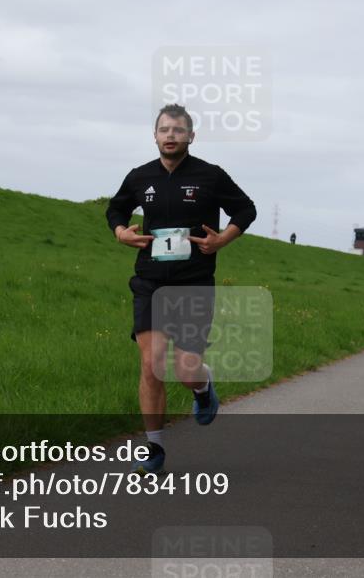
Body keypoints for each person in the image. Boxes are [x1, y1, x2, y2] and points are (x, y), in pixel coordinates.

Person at [106, 103, 257, 475]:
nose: (170, 136)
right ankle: (154, 448)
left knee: (186, 370)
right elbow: (116, 209)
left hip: (193, 283)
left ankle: (202, 388)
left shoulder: (210, 176)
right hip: (150, 281)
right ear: (154, 136)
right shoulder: (140, 177)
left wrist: (222, 239)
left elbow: (245, 209)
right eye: (164, 130)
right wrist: (122, 232)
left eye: (177, 130)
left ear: (191, 136)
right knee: (151, 364)